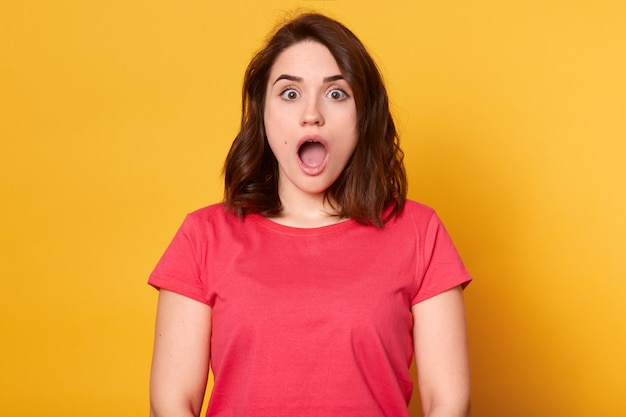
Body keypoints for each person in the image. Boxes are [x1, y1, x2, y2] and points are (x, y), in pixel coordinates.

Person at [148, 12, 472, 417]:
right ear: (261, 113)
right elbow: (172, 403)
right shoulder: (202, 236)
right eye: (289, 93)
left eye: (337, 94)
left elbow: (449, 402)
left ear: (363, 116)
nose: (311, 114)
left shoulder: (420, 232)